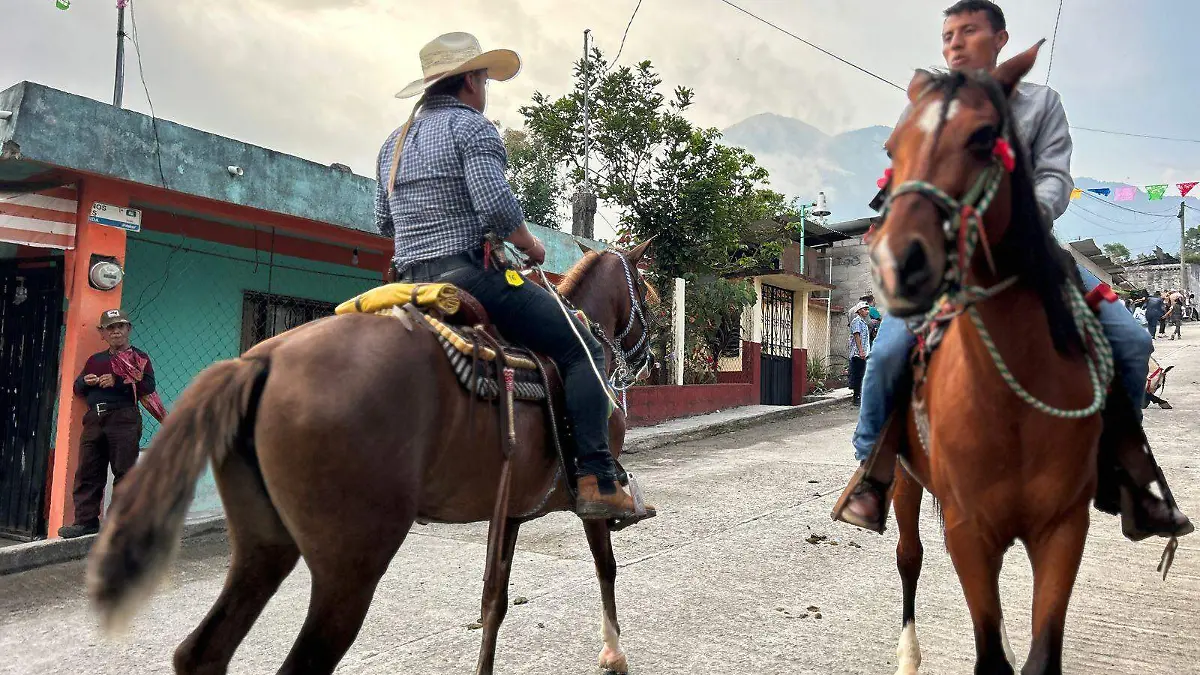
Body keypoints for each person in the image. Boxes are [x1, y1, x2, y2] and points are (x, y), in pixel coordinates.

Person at [834, 0, 1190, 540]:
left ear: (1001, 40)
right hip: (947, 263)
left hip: (1032, 251)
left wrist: (1023, 216)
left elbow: (1054, 177)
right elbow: (906, 172)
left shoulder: (1043, 103)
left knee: (1132, 339)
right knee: (886, 350)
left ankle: (1126, 471)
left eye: (968, 31)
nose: (954, 43)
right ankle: (870, 474)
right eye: (947, 34)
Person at [374, 32, 653, 523]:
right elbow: (498, 210)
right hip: (469, 276)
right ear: (469, 82)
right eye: (483, 78)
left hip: (409, 280)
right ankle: (597, 479)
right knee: (583, 344)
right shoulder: (473, 128)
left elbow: (385, 224)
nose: (486, 89)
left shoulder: (391, 145)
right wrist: (532, 246)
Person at [58, 310, 165, 538]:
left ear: (128, 329)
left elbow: (148, 386)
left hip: (124, 418)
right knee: (89, 470)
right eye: (110, 327)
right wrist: (86, 382)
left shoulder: (139, 358)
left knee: (124, 471)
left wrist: (118, 382)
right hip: (95, 419)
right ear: (102, 333)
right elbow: (77, 389)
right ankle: (85, 522)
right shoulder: (95, 360)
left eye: (120, 326)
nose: (115, 331)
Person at [848, 302, 872, 406]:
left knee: (863, 375)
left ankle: (861, 396)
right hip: (858, 354)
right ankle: (856, 397)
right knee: (858, 375)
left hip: (864, 353)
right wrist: (861, 350)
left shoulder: (863, 322)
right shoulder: (856, 321)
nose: (866, 311)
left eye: (867, 309)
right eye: (864, 309)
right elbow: (857, 336)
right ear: (859, 311)